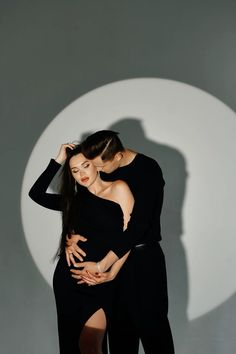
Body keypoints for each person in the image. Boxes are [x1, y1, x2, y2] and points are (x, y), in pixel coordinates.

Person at [68, 130, 175, 354]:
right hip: (112, 260)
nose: (96, 171)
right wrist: (70, 236)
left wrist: (104, 265)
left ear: (117, 156)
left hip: (143, 259)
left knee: (153, 330)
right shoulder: (101, 167)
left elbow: (138, 226)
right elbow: (84, 209)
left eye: (100, 166)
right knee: (120, 334)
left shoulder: (147, 170)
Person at [28, 143, 134, 354]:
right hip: (68, 279)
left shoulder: (118, 188)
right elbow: (36, 193)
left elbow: (130, 236)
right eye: (75, 170)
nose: (81, 173)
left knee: (90, 345)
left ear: (95, 164)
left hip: (99, 280)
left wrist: (111, 273)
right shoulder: (74, 201)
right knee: (72, 346)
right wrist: (58, 159)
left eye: (85, 166)